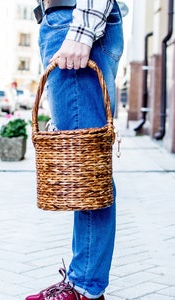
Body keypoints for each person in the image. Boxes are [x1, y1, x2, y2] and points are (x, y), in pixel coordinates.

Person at [26, 0, 124, 299]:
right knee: (88, 170)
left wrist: (80, 33)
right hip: (70, 21)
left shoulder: (77, 31)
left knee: (87, 173)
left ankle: (84, 287)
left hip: (75, 21)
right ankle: (82, 281)